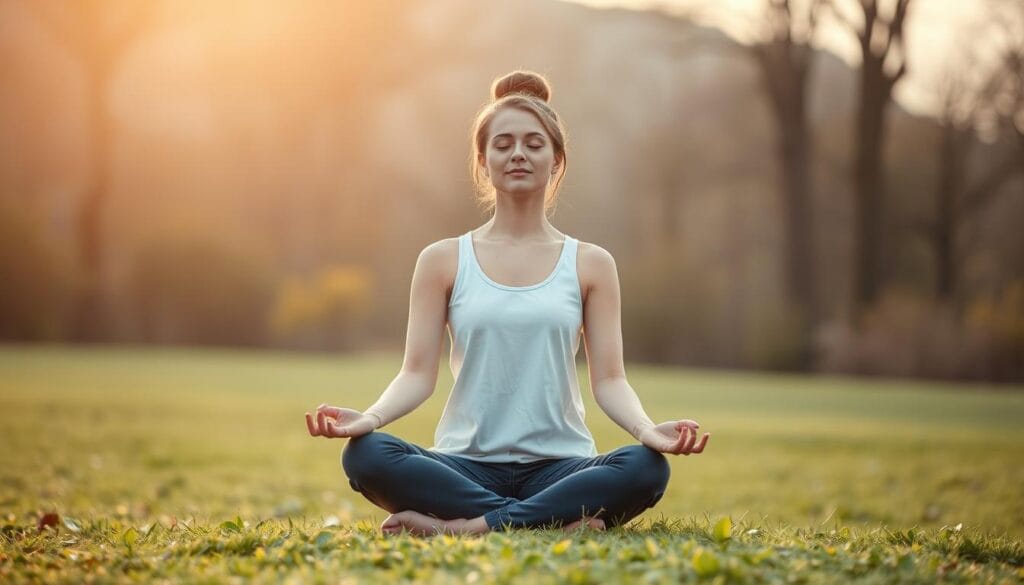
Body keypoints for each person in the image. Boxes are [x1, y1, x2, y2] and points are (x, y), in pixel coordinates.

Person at [304, 70, 710, 537]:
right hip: (463, 466)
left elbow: (610, 380)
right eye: (503, 144)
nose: (518, 153)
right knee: (366, 455)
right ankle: (547, 521)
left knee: (646, 467)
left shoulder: (591, 264)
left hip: (562, 467)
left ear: (556, 160)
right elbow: (416, 374)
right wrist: (370, 418)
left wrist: (646, 430)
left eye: (534, 144)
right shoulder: (442, 260)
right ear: (483, 160)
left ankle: (465, 529)